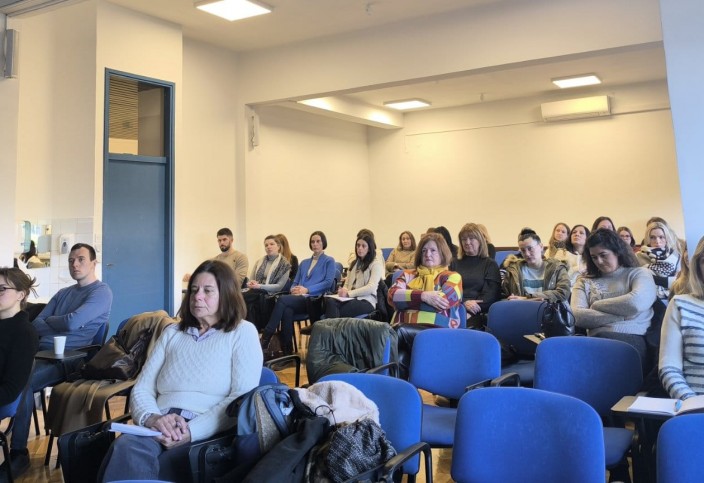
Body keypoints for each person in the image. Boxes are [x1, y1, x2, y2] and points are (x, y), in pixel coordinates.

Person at [98, 260, 262, 482]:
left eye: (207, 291)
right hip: (159, 424)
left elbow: (240, 400)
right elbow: (143, 387)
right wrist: (152, 418)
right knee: (126, 447)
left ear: (227, 295)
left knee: (168, 465)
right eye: (194, 290)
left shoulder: (242, 333)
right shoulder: (172, 332)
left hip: (206, 431)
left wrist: (190, 432)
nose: (197, 296)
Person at [7, 243, 112, 479]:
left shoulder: (101, 292)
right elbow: (37, 324)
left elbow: (72, 323)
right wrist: (62, 321)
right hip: (38, 352)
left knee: (22, 381)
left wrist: (56, 321)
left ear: (93, 263)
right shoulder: (64, 293)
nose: (75, 264)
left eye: (81, 259)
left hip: (71, 358)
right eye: (71, 260)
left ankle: (19, 452)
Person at [571, 229, 657, 364]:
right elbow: (577, 316)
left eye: (603, 255)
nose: (599, 261)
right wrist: (622, 316)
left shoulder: (639, 273)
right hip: (597, 339)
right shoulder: (584, 281)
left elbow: (635, 303)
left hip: (632, 338)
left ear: (617, 251)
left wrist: (596, 305)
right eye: (594, 257)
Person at [260, 231, 336, 354]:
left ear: (323, 243)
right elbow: (295, 281)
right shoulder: (304, 263)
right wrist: (293, 289)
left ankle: (265, 338)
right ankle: (287, 351)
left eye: (318, 241)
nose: (315, 244)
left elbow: (328, 283)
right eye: (312, 242)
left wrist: (307, 290)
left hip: (314, 300)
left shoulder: (329, 261)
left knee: (282, 300)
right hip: (299, 298)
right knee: (287, 310)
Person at [0, 268, 39, 482]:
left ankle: (19, 454)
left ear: (21, 294)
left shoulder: (24, 332)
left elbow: (10, 391)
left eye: (2, 289)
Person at [659, 235, 704, 399]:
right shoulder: (680, 305)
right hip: (695, 405)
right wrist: (692, 403)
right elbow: (669, 369)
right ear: (698, 267)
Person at [388, 232, 463, 327]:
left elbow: (443, 302)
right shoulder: (407, 274)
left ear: (442, 253)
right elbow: (392, 296)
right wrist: (423, 296)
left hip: (437, 329)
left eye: (433, 250)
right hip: (401, 327)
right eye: (424, 251)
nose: (427, 254)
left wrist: (405, 301)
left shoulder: (453, 277)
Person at [450, 223, 501, 329]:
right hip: (455, 307)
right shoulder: (453, 263)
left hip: (479, 311)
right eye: (464, 239)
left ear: (480, 240)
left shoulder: (490, 264)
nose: (467, 242)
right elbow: (449, 291)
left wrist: (471, 308)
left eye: (471, 238)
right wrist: (464, 304)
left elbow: (491, 296)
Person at [501, 228, 570, 302]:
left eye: (530, 248)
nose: (527, 254)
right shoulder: (513, 270)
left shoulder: (557, 267)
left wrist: (527, 298)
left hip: (551, 309)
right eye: (523, 250)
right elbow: (504, 297)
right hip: (521, 309)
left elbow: (563, 293)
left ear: (541, 247)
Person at [325, 233, 383, 318]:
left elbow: (371, 287)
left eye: (363, 246)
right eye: (358, 245)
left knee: (334, 309)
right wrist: (343, 290)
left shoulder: (375, 264)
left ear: (369, 249)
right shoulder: (353, 263)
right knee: (329, 302)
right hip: (350, 298)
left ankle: (329, 325)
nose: (360, 248)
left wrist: (348, 294)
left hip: (366, 301)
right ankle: (332, 325)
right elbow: (347, 284)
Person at [183, 228, 248, 285]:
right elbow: (205, 278)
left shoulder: (241, 257)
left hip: (230, 293)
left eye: (224, 239)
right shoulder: (214, 260)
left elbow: (237, 283)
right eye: (219, 240)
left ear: (231, 240)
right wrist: (192, 278)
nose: (222, 243)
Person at [637, 221, 682, 300]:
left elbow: (679, 281)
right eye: (652, 237)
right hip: (648, 298)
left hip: (673, 297)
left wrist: (654, 279)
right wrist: (669, 281)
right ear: (648, 238)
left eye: (661, 237)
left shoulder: (676, 256)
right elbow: (638, 281)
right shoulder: (639, 256)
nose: (657, 241)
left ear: (666, 238)